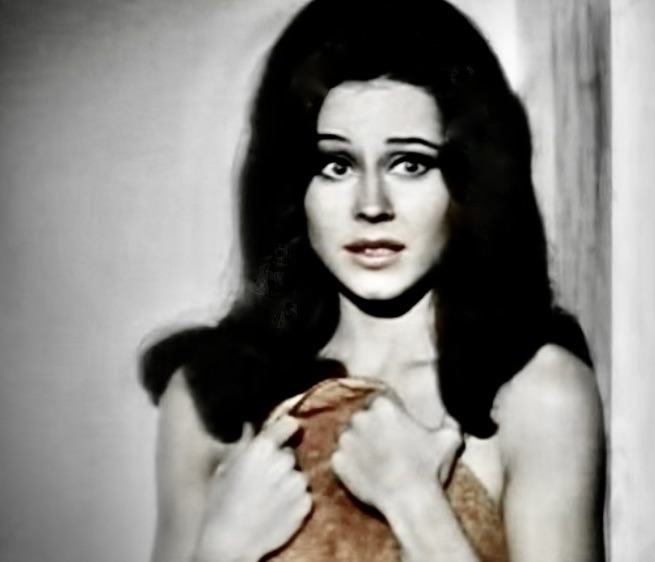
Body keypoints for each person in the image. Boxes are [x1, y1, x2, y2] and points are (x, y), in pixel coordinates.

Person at [141, 0, 605, 560]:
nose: (371, 205)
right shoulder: (207, 399)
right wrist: (223, 548)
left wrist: (415, 504)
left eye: (410, 164)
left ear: (469, 179)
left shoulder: (540, 394)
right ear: (294, 188)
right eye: (336, 165)